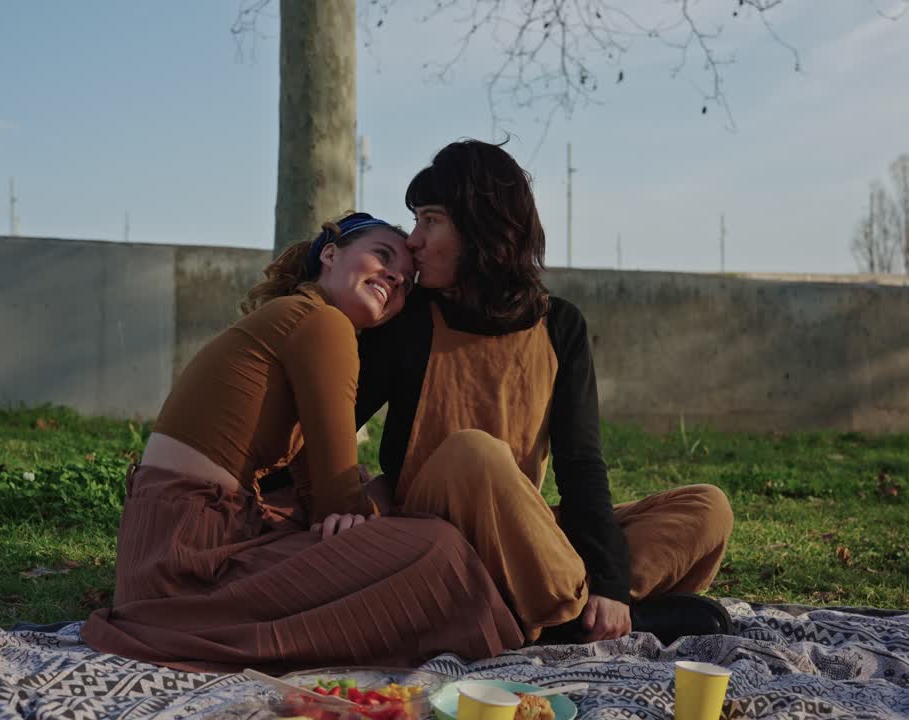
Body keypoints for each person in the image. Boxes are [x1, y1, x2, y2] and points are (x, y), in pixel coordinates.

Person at [81, 212, 524, 673]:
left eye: (407, 282)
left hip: (162, 551)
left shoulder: (299, 319)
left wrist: (360, 507)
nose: (395, 277)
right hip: (189, 563)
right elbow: (336, 497)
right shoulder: (322, 324)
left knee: (386, 500)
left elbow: (319, 487)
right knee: (437, 547)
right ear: (330, 255)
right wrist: (365, 514)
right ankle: (509, 627)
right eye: (382, 255)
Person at [356, 142, 735, 645]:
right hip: (434, 538)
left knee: (707, 508)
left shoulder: (559, 325)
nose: (414, 240)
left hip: (524, 536)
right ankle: (576, 615)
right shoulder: (408, 318)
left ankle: (571, 613)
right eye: (416, 221)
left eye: (431, 220)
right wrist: (356, 489)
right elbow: (337, 415)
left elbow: (579, 462)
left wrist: (612, 583)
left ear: (480, 227)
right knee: (477, 452)